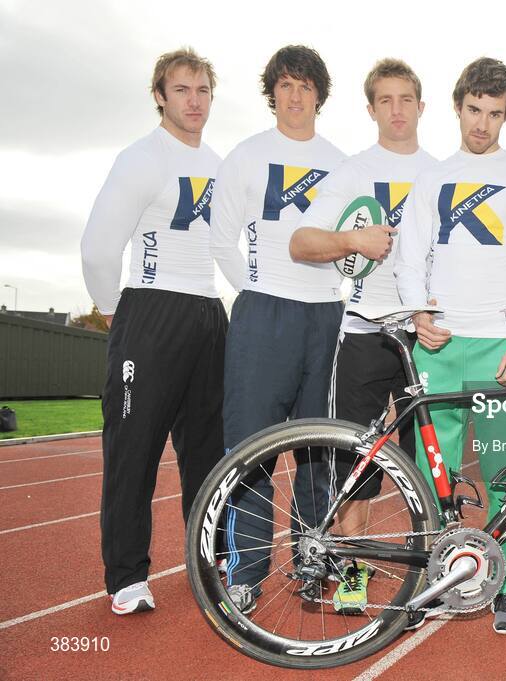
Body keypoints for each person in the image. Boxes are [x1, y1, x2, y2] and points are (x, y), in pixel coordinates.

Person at [209, 45, 392, 614]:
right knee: (252, 451)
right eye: (285, 86)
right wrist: (260, 288)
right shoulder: (246, 156)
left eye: (305, 86)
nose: (295, 96)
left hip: (325, 317)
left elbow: (359, 241)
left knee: (320, 452)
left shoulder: (345, 162)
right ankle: (245, 572)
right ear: (273, 93)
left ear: (319, 94)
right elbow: (221, 239)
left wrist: (327, 292)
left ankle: (313, 560)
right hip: (264, 316)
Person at [394, 57, 506, 635]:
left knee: (503, 473)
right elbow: (410, 254)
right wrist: (418, 314)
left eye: (494, 114)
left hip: (498, 349)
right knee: (432, 476)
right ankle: (439, 580)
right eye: (474, 110)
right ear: (458, 105)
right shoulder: (433, 177)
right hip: (438, 345)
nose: (482, 123)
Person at [81, 47, 227, 614]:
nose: (194, 101)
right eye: (182, 90)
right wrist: (115, 307)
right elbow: (99, 247)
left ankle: (208, 563)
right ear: (160, 97)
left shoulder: (218, 162)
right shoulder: (142, 157)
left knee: (209, 456)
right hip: (150, 308)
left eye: (203, 91)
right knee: (134, 450)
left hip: (208, 312)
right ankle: (127, 577)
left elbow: (227, 247)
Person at [289, 58, 437, 611]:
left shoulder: (444, 171)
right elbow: (301, 243)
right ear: (371, 108)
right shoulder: (353, 170)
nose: (396, 111)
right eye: (385, 101)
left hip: (430, 334)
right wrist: (354, 242)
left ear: (421, 107)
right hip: (365, 332)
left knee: (431, 463)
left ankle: (428, 577)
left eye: (406, 99)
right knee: (360, 463)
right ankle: (352, 575)